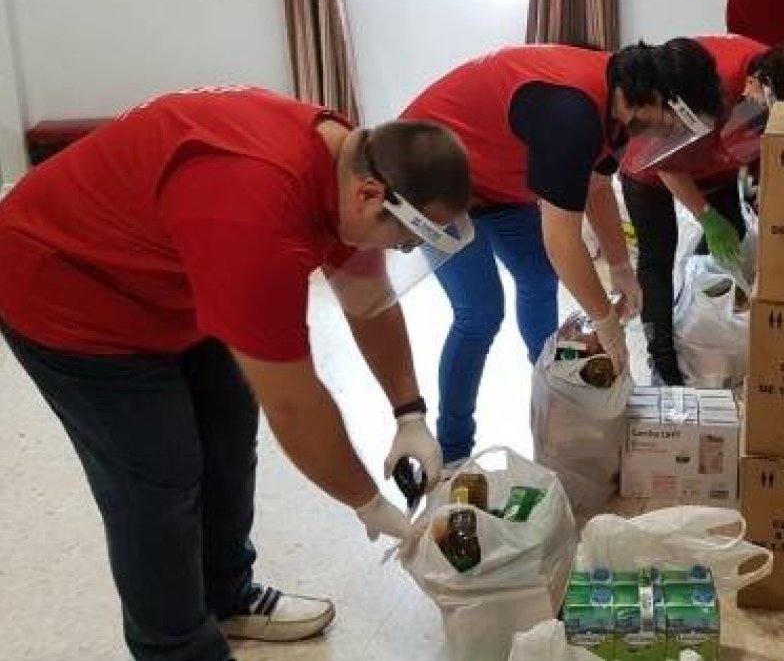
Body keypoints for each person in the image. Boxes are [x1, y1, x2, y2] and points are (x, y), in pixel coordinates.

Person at [0, 85, 472, 661]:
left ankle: (228, 598)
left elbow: (368, 301)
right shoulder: (255, 212)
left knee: (227, 439)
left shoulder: (351, 161)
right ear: (372, 195)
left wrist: (410, 414)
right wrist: (368, 502)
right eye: (405, 239)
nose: (399, 252)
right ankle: (174, 648)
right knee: (158, 479)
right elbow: (296, 404)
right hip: (67, 290)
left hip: (179, 277)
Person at [401, 40, 724, 466]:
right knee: (480, 313)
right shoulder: (572, 115)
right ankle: (452, 452)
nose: (667, 137)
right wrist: (606, 323)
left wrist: (621, 267)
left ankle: (555, 388)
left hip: (497, 177)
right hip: (429, 176)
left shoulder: (619, 102)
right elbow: (561, 241)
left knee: (537, 279)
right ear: (656, 100)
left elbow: (595, 186)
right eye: (671, 126)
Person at [619, 37, 784, 385]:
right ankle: (664, 362)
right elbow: (666, 165)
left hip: (715, 161)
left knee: (733, 229)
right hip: (651, 167)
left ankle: (696, 296)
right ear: (756, 81)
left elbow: (771, 147)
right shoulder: (713, 81)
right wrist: (705, 215)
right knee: (658, 256)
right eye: (767, 105)